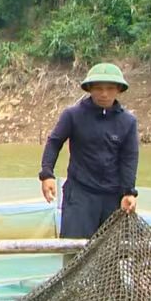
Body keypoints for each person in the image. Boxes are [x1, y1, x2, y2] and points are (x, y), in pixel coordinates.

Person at [40, 62, 139, 240]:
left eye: (110, 88)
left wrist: (129, 192)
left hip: (113, 196)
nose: (104, 94)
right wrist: (47, 174)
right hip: (80, 193)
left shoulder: (128, 121)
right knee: (74, 249)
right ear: (90, 89)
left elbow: (129, 158)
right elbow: (54, 142)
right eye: (99, 88)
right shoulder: (73, 115)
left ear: (118, 90)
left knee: (110, 251)